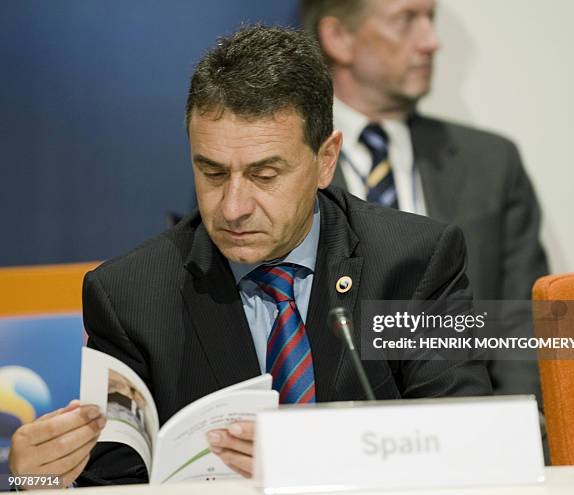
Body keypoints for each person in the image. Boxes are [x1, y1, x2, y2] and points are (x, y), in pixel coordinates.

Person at [9, 25, 491, 487]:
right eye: (213, 173)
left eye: (264, 175)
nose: (234, 208)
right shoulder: (129, 296)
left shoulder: (413, 264)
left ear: (326, 159)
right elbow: (111, 484)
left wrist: (314, 459)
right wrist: (37, 478)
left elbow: (472, 444)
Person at [301, 0, 549, 397]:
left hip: (477, 427)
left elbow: (527, 323)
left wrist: (517, 427)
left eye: (430, 19)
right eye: (406, 21)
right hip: (335, 435)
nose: (431, 42)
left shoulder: (491, 163)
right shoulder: (280, 167)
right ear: (338, 38)